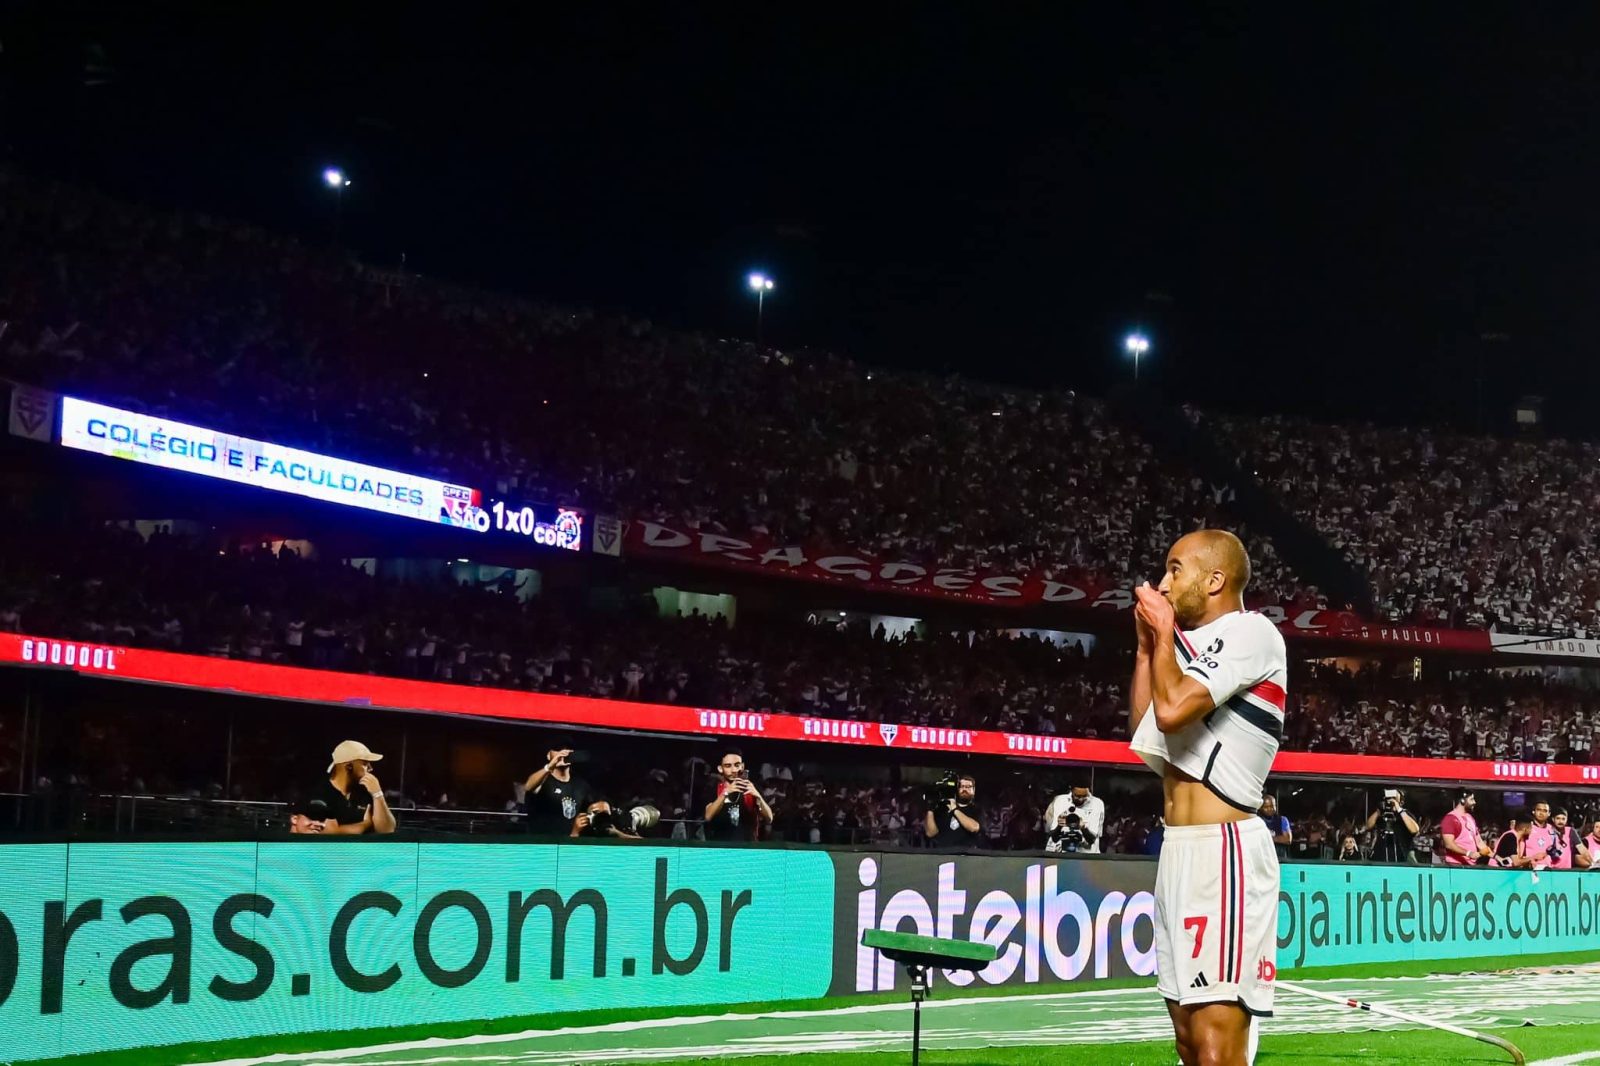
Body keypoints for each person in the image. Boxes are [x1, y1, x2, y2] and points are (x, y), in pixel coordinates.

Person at [1130, 530, 1287, 1066]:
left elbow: (1173, 710)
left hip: (1225, 854)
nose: (1164, 582)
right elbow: (1147, 728)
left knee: (1216, 1044)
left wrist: (1165, 632)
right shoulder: (1188, 650)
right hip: (1179, 849)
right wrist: (1147, 646)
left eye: (1176, 570)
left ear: (1215, 579)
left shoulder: (1251, 632)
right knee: (1187, 1043)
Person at [290, 740, 397, 835]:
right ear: (349, 766)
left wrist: (378, 794)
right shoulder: (320, 792)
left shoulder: (365, 793)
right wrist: (366, 824)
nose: (370, 768)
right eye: (365, 763)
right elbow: (328, 832)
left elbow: (387, 830)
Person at [522, 743, 593, 837]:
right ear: (548, 755)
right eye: (558, 750)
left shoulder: (581, 785)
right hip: (543, 843)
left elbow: (589, 808)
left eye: (567, 750)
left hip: (568, 843)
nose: (563, 753)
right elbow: (528, 786)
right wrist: (549, 767)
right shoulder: (543, 780)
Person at [703, 749, 773, 842]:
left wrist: (758, 796)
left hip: (748, 848)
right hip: (720, 847)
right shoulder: (714, 789)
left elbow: (769, 818)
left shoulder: (752, 788)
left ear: (742, 766)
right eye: (728, 766)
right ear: (720, 768)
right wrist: (725, 793)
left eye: (737, 765)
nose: (734, 770)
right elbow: (708, 816)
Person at [924, 774, 983, 850]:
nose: (964, 789)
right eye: (961, 786)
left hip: (966, 855)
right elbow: (930, 833)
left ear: (973, 790)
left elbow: (974, 828)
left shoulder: (977, 810)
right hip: (944, 854)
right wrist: (930, 809)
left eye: (968, 787)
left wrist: (954, 809)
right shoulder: (943, 808)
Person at [1044, 783, 1106, 854]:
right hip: (1060, 852)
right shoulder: (1060, 801)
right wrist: (1059, 826)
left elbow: (1092, 840)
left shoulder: (1097, 804)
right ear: (1071, 790)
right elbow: (1053, 836)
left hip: (1086, 854)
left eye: (1084, 796)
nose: (1081, 799)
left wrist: (1083, 828)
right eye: (1077, 796)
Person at [1363, 789, 1419, 864]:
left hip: (1403, 854)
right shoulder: (1382, 814)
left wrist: (1399, 809)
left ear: (1401, 803)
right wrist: (1378, 811)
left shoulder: (1405, 814)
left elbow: (1415, 830)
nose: (1391, 801)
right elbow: (1367, 826)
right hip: (1382, 854)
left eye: (1394, 799)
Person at [1438, 791, 1491, 866]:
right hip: (1455, 865)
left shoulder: (1470, 817)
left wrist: (1497, 857)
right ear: (1462, 801)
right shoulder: (1450, 819)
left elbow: (1479, 842)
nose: (1474, 802)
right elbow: (1449, 844)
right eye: (1471, 799)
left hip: (1470, 865)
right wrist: (1468, 853)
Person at [1258, 795, 1292, 860]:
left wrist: (1266, 838)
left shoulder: (1282, 819)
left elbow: (1287, 839)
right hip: (1263, 858)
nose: (1270, 809)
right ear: (1261, 808)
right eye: (1266, 807)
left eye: (1272, 806)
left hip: (1280, 858)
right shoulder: (1257, 821)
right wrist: (1278, 838)